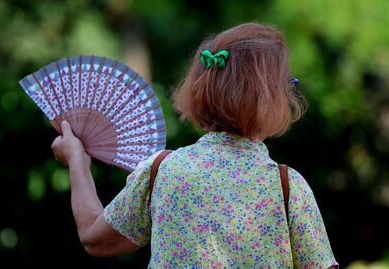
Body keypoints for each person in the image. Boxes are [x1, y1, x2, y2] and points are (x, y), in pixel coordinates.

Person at [51, 22, 339, 268]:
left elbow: (94, 238)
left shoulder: (162, 171)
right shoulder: (288, 187)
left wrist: (77, 160)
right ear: (270, 98)